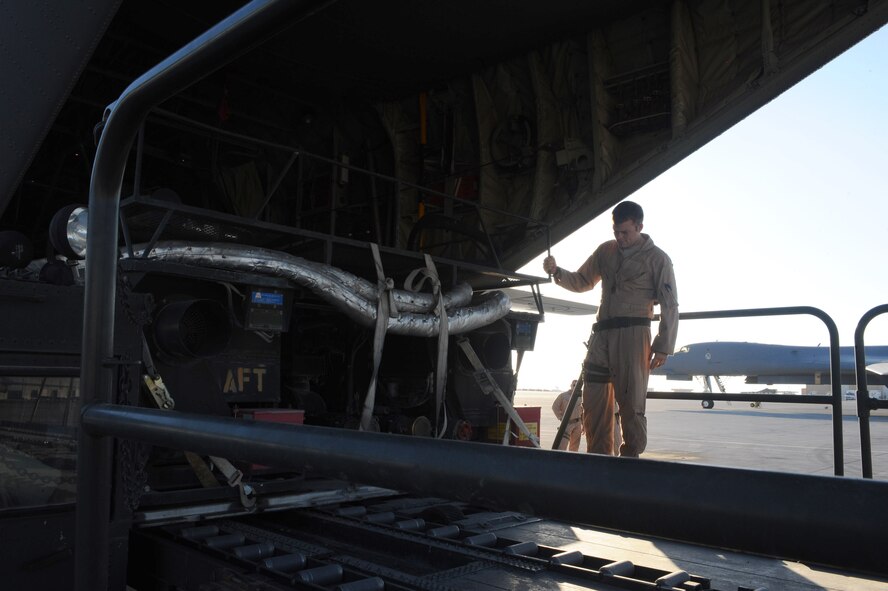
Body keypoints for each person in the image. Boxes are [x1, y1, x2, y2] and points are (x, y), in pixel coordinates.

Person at [543, 201, 678, 457]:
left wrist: (663, 346)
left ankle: (630, 462)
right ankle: (598, 460)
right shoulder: (606, 251)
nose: (620, 237)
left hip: (634, 335)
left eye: (625, 232)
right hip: (601, 334)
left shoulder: (658, 259)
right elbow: (583, 281)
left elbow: (670, 305)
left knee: (631, 403)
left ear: (639, 226)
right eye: (616, 231)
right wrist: (557, 272)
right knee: (593, 401)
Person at [552, 380, 583, 451]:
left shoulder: (580, 396)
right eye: (574, 385)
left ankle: (572, 460)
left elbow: (582, 410)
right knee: (562, 445)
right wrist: (561, 418)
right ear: (571, 385)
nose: (575, 387)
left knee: (575, 445)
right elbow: (555, 407)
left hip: (577, 423)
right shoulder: (563, 396)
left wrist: (583, 423)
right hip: (567, 423)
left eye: (577, 386)